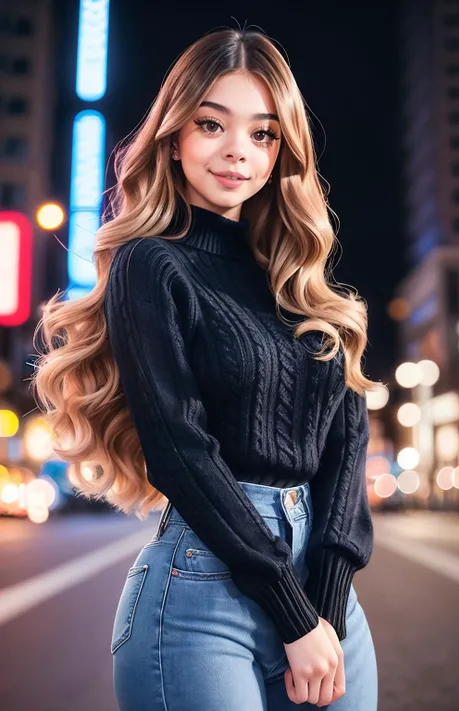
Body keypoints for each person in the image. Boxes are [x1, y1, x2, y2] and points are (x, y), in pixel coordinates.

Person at [32, 26, 379, 710]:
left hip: (322, 595)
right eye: (212, 124)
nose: (237, 153)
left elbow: (347, 441)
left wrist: (325, 606)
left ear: (284, 150)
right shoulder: (151, 264)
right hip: (200, 588)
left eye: (263, 133)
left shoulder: (296, 281)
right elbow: (180, 446)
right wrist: (292, 611)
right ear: (174, 135)